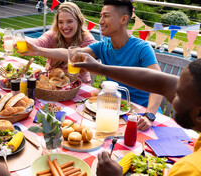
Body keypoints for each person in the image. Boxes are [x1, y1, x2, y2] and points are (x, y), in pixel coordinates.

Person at [23, 0, 163, 131]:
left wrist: (149, 115)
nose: (101, 21)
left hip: (142, 115)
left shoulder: (142, 48)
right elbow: (71, 54)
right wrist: (37, 50)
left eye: (106, 16)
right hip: (114, 109)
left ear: (123, 19)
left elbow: (159, 82)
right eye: (100, 16)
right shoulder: (104, 45)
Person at [73, 53, 201, 176]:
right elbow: (162, 83)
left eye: (178, 94)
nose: (171, 94)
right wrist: (100, 68)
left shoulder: (191, 169)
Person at [25, 2, 96, 84]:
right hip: (52, 86)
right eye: (60, 22)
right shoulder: (53, 34)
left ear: (79, 21)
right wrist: (20, 39)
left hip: (79, 87)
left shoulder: (88, 40)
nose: (65, 26)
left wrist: (38, 50)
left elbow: (71, 55)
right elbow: (38, 42)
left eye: (69, 21)